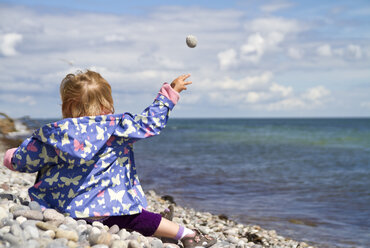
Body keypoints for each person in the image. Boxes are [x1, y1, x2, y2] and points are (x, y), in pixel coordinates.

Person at [3, 70, 216, 248]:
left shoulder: (55, 136)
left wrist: (12, 157)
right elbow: (151, 122)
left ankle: (159, 223)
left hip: (64, 209)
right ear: (108, 104)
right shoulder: (118, 127)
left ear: (66, 106)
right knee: (134, 217)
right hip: (110, 209)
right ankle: (187, 234)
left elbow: (24, 160)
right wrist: (169, 94)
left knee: (132, 217)